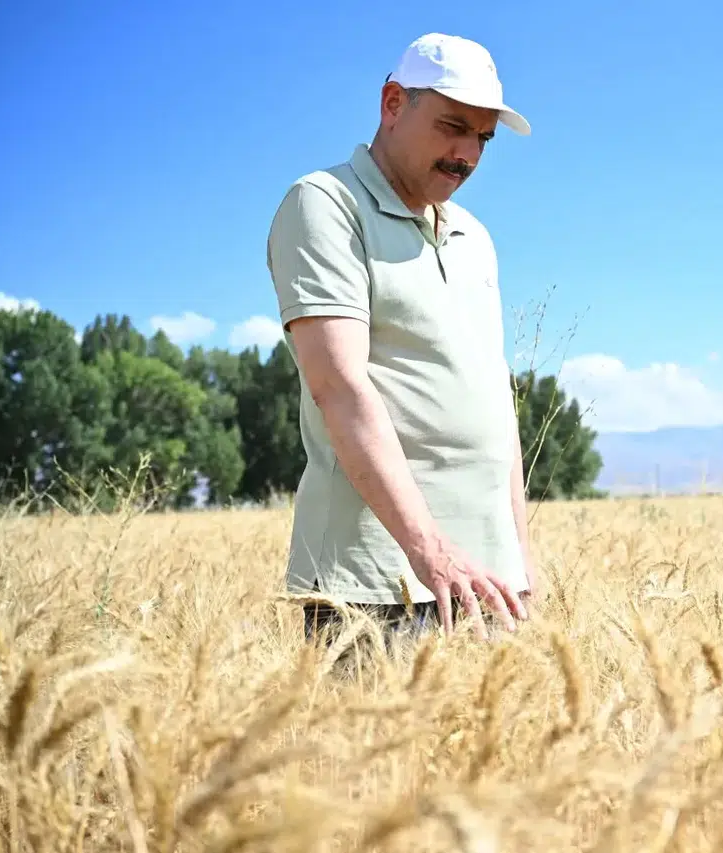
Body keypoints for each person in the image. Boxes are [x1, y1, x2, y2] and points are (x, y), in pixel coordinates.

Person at [265, 33, 537, 649]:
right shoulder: (326, 205)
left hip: (488, 581)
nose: (466, 154)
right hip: (379, 584)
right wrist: (430, 550)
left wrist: (520, 560)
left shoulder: (475, 237)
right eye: (452, 126)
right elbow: (338, 386)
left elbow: (497, 402)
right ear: (393, 103)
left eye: (483, 138)